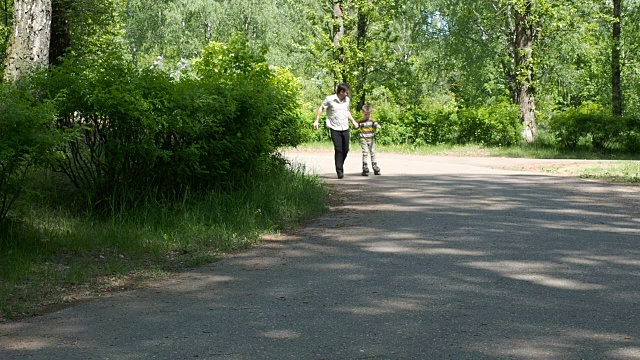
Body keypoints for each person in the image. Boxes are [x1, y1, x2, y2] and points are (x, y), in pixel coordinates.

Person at [314, 83, 359, 179]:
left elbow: (347, 111)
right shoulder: (330, 99)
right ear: (341, 92)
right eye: (346, 92)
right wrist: (316, 120)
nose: (347, 94)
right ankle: (339, 171)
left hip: (345, 127)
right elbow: (321, 108)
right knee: (338, 149)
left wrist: (353, 121)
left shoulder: (347, 100)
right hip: (334, 127)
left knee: (346, 149)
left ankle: (340, 164)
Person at [357, 104, 381, 176]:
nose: (367, 115)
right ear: (363, 113)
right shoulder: (361, 121)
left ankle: (374, 166)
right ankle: (365, 166)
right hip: (363, 138)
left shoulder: (372, 120)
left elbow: (376, 124)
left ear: (370, 113)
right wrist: (356, 125)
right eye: (366, 114)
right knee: (365, 152)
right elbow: (356, 126)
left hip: (371, 138)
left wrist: (378, 126)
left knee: (372, 152)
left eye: (368, 114)